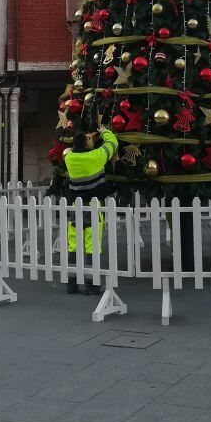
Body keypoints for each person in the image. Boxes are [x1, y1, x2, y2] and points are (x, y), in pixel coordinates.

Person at [63, 126, 118, 296]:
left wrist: (83, 140)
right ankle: (92, 284)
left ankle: (71, 284)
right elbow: (112, 143)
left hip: (75, 207)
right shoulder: (96, 157)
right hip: (94, 207)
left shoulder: (70, 158)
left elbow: (66, 151)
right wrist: (104, 131)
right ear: (87, 145)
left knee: (73, 244)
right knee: (92, 245)